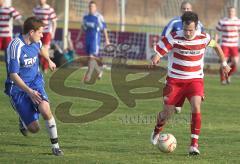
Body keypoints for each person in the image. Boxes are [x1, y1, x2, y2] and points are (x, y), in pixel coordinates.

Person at [150, 11, 230, 155]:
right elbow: (161, 49)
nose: (187, 33)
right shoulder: (174, 37)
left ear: (196, 27)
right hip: (174, 80)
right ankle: (157, 129)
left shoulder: (204, 37)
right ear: (182, 26)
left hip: (195, 80)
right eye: (185, 30)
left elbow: (217, 47)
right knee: (167, 113)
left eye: (191, 30)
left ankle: (194, 145)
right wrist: (156, 57)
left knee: (196, 106)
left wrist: (224, 64)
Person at [4, 17, 63, 156]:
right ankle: (24, 120)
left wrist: (48, 59)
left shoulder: (36, 41)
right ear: (31, 32)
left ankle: (55, 146)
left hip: (35, 82)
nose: (42, 35)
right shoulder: (15, 46)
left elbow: (41, 48)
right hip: (17, 88)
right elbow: (13, 75)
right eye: (40, 32)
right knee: (34, 128)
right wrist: (29, 92)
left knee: (45, 109)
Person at [161, 1, 204, 113]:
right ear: (181, 10)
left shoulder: (199, 24)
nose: (186, 10)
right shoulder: (174, 22)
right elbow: (164, 36)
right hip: (177, 57)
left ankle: (197, 92)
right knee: (176, 74)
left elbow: (204, 39)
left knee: (193, 76)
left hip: (194, 58)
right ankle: (175, 98)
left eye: (188, 9)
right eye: (184, 9)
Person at [77, 0, 110, 83]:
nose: (91, 8)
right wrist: (78, 37)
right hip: (87, 39)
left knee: (91, 58)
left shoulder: (98, 17)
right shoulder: (85, 17)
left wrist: (107, 40)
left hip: (95, 40)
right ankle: (99, 71)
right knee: (89, 58)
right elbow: (82, 28)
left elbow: (104, 29)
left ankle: (88, 76)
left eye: (93, 7)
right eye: (90, 7)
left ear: (95, 8)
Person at [215, 6, 240, 85]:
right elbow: (217, 32)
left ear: (235, 12)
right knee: (223, 62)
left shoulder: (238, 21)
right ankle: (222, 80)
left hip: (234, 45)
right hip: (225, 44)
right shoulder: (222, 21)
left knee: (236, 63)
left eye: (232, 11)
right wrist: (215, 42)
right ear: (227, 12)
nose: (231, 13)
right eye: (229, 11)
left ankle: (227, 76)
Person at [33, 0, 57, 73]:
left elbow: (54, 22)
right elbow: (34, 21)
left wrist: (53, 32)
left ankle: (45, 67)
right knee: (38, 49)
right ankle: (41, 66)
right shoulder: (36, 9)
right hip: (38, 32)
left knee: (45, 49)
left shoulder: (49, 9)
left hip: (47, 32)